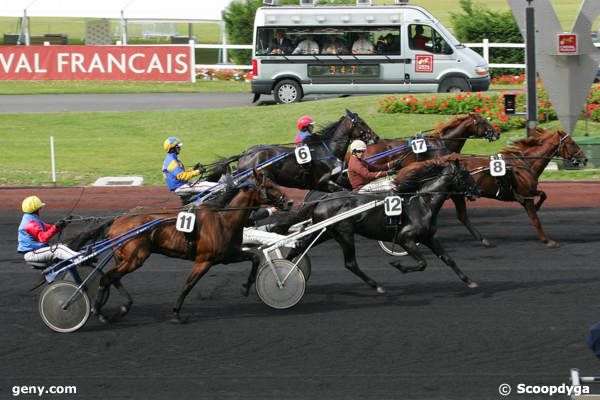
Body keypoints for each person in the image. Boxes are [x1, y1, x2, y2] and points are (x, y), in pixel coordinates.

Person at [17, 195, 80, 267]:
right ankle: (81, 259)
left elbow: (50, 228)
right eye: (39, 208)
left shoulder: (32, 219)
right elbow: (43, 238)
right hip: (32, 254)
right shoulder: (29, 223)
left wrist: (63, 224)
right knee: (59, 248)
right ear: (36, 209)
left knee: (65, 246)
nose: (40, 209)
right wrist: (55, 227)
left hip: (37, 251)